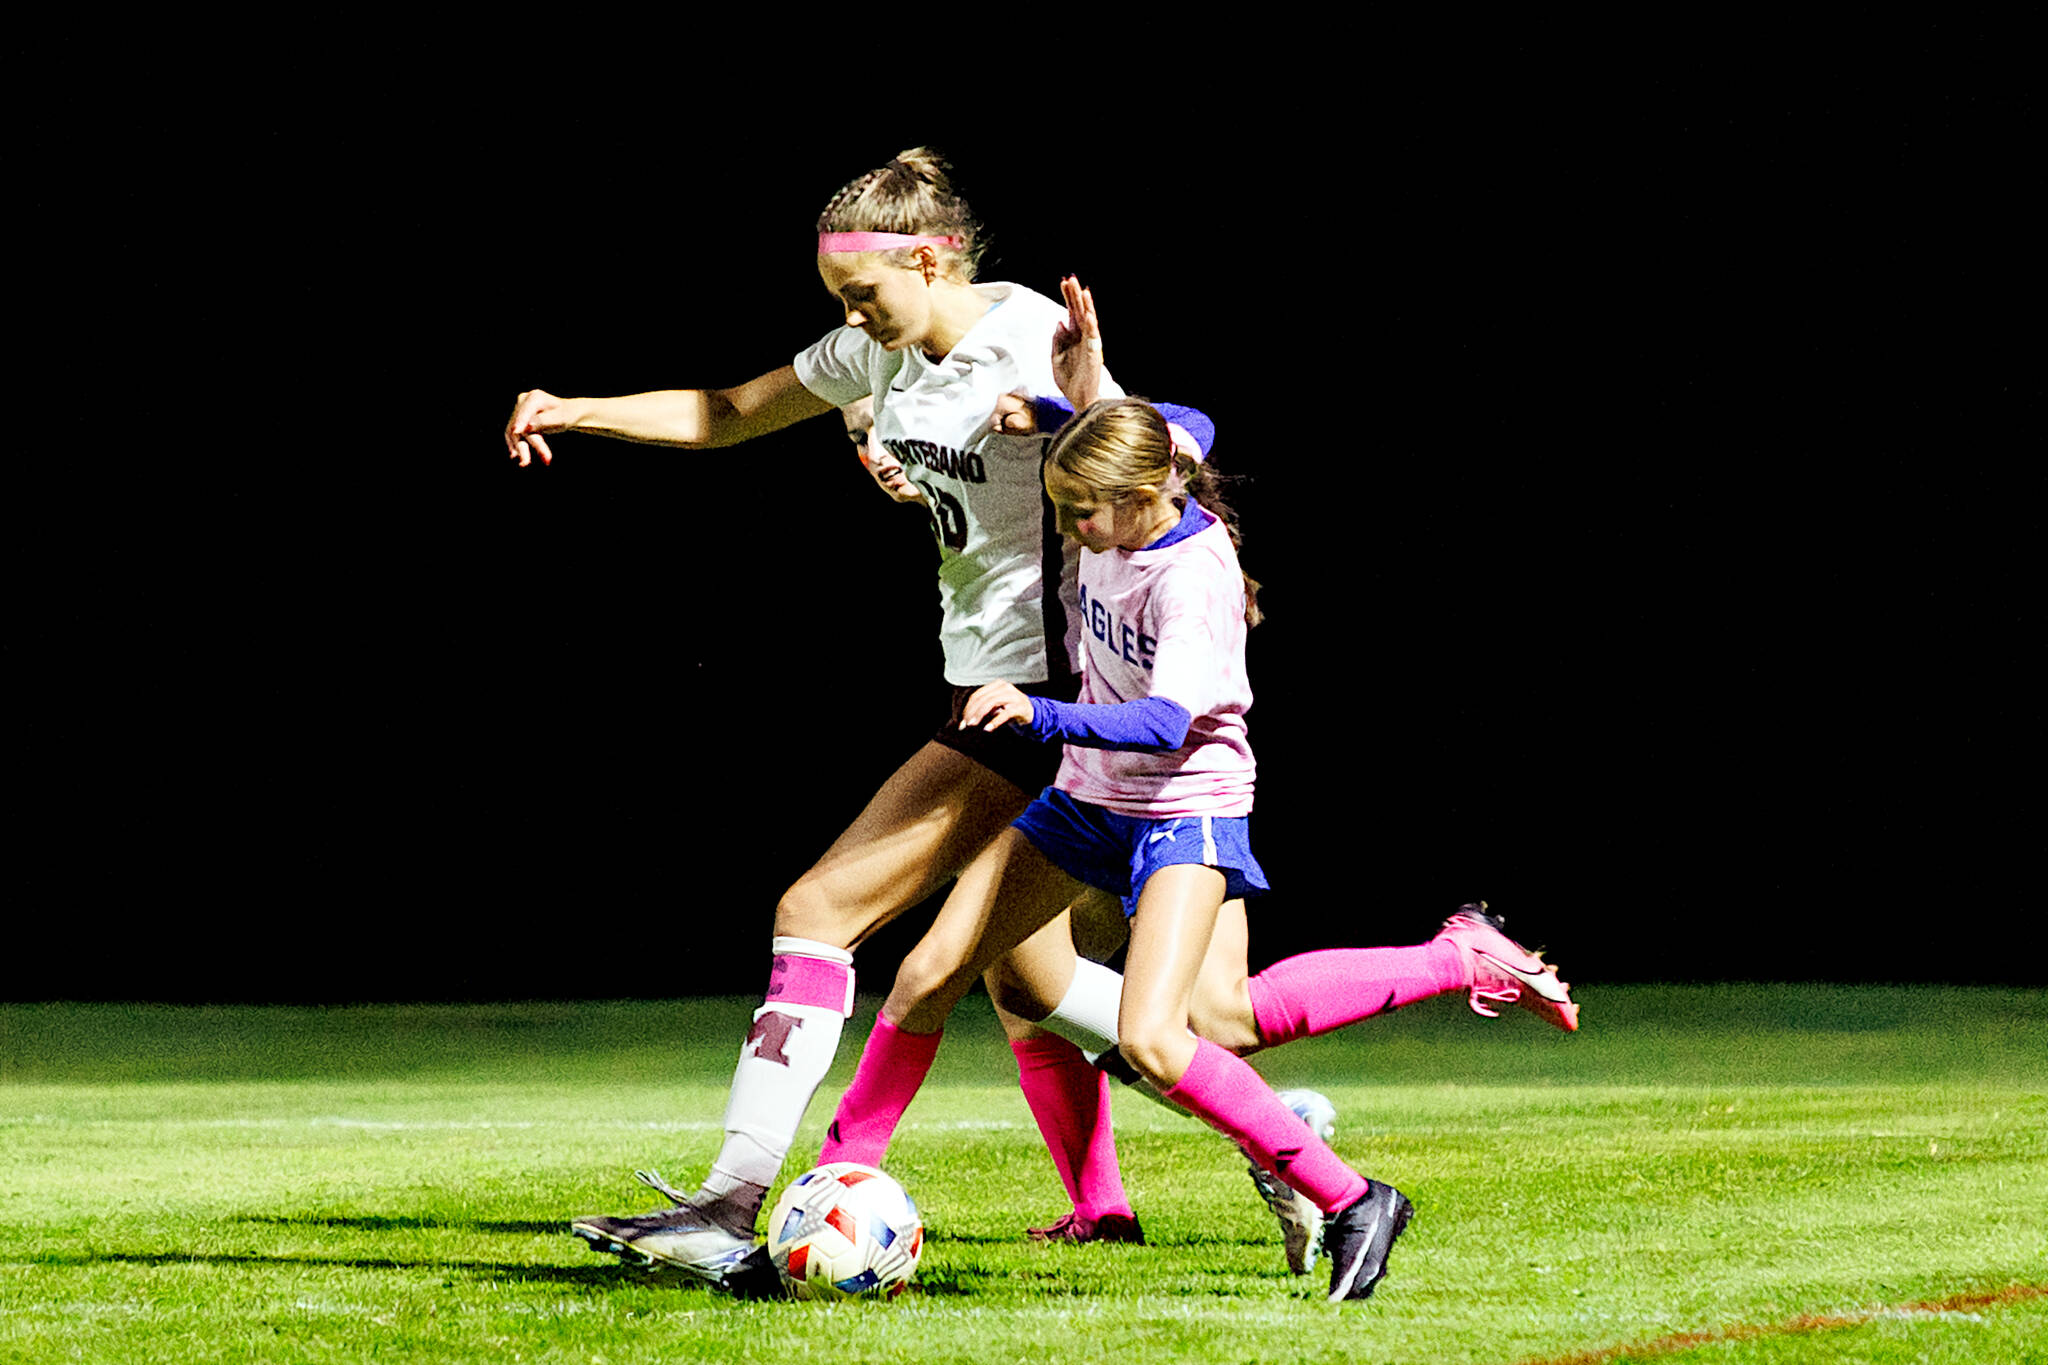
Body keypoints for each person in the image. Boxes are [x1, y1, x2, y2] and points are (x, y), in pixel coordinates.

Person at [502, 148, 1325, 1280]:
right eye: (838, 300)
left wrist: (1078, 398)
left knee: (821, 907)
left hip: (1044, 701)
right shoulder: (878, 354)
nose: (848, 319)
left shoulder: (1026, 332)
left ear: (931, 258)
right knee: (1040, 988)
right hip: (983, 680)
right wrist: (577, 407)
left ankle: (731, 1203)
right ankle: (1280, 1143)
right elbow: (730, 409)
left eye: (862, 295)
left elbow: (1157, 447)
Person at [806, 304, 1580, 1301]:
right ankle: (842, 1182)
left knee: (1169, 1034)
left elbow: (1168, 721)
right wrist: (1051, 401)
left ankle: (1356, 1190)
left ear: (1136, 501)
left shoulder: (1191, 579)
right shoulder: (1125, 483)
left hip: (1182, 811)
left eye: (1082, 514)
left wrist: (1036, 715)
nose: (1067, 530)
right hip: (1088, 803)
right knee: (932, 975)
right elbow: (1185, 428)